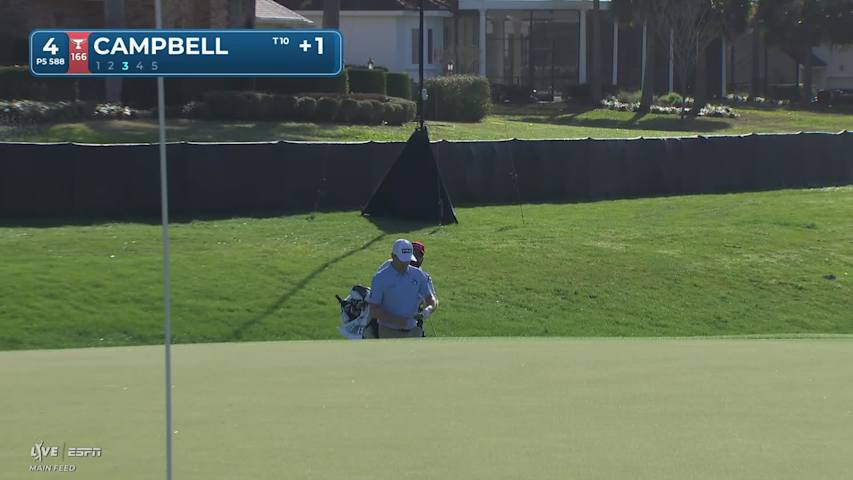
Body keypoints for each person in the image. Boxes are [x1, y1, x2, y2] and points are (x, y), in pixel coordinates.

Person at [367, 239, 436, 339]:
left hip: (414, 331)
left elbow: (430, 298)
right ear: (393, 256)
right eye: (402, 260)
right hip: (388, 332)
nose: (406, 263)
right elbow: (373, 309)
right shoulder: (380, 278)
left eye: (408, 260)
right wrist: (396, 320)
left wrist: (428, 309)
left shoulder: (418, 275)